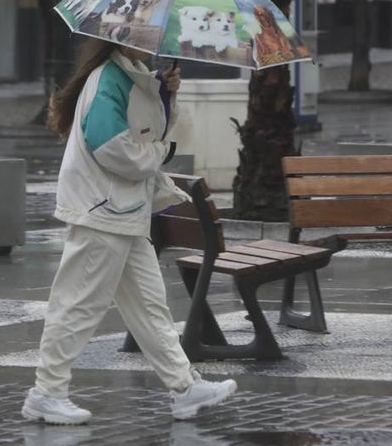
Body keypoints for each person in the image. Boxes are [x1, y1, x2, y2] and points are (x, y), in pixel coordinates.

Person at [21, 39, 237, 425]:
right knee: (78, 304)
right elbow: (113, 149)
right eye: (144, 37)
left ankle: (184, 387)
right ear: (123, 38)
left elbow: (146, 130)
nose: (152, 43)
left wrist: (165, 93)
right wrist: (159, 153)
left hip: (121, 211)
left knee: (149, 306)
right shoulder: (110, 79)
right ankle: (47, 393)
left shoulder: (129, 76)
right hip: (103, 211)